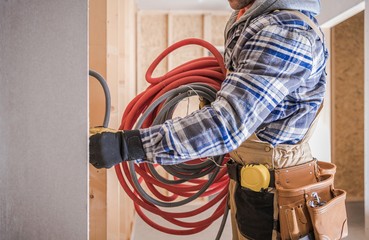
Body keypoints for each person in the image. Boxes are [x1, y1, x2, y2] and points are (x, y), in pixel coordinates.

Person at [90, 0, 328, 239]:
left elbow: (225, 124)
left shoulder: (285, 33)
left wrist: (127, 145)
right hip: (257, 182)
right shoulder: (251, 19)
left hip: (275, 191)